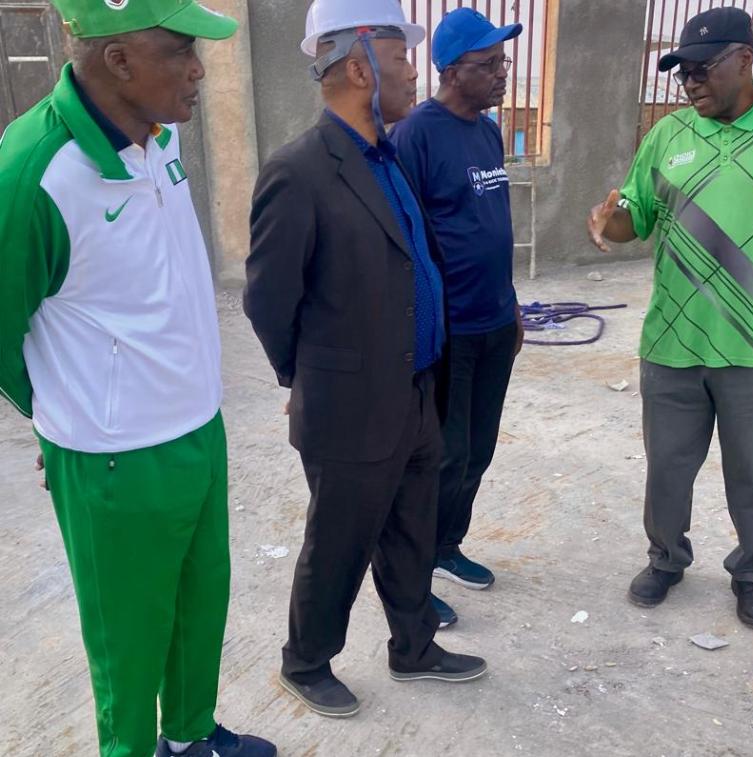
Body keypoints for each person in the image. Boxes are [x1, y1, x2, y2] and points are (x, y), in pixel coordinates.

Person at [0, 2, 277, 755]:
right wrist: (60, 414)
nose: (199, 68)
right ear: (118, 60)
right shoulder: (32, 174)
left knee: (198, 605)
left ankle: (190, 736)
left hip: (198, 428)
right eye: (180, 50)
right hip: (115, 461)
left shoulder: (160, 134)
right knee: (127, 643)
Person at [244, 0, 487, 720]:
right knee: (340, 540)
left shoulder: (387, 154)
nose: (415, 69)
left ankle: (413, 646)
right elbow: (268, 301)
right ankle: (306, 660)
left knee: (412, 528)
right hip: (348, 403)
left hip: (414, 388)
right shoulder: (299, 170)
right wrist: (310, 375)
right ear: (358, 64)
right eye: (402, 54)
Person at [587, 6, 753, 628]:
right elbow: (634, 214)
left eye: (701, 68)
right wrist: (609, 224)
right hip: (671, 340)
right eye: (680, 72)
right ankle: (667, 558)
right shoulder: (667, 136)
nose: (689, 83)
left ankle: (752, 571)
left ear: (744, 58)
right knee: (667, 470)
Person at [390, 7, 525, 628]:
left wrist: (513, 307)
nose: (502, 74)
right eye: (488, 65)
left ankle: (448, 547)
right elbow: (405, 239)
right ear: (450, 72)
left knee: (480, 449)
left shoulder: (488, 131)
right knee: (441, 456)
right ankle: (414, 574)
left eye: (501, 62)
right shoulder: (417, 134)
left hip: (496, 320)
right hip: (451, 331)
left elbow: (493, 227)